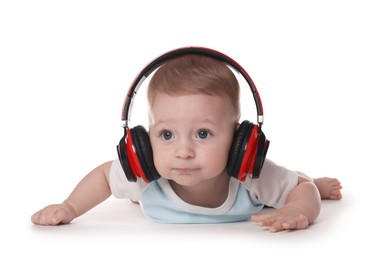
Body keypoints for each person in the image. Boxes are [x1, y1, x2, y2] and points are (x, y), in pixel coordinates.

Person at [31, 51, 342, 232]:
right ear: (142, 139)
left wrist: (299, 208)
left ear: (239, 141)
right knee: (132, 191)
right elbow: (103, 176)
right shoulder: (145, 178)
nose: (183, 151)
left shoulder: (253, 176)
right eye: (166, 135)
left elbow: (303, 191)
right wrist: (69, 206)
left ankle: (312, 173)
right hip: (147, 195)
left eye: (203, 134)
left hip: (265, 190)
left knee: (294, 182)